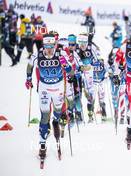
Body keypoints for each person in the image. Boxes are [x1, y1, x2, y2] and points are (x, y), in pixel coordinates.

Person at [25, 33, 72, 162]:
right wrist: (28, 79)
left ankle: (56, 121)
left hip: (58, 88)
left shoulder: (61, 54)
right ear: (43, 45)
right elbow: (29, 66)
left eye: (52, 46)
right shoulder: (38, 54)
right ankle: (42, 145)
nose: (49, 49)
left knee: (57, 112)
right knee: (44, 115)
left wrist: (66, 66)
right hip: (44, 88)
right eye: (47, 46)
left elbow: (71, 72)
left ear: (55, 44)